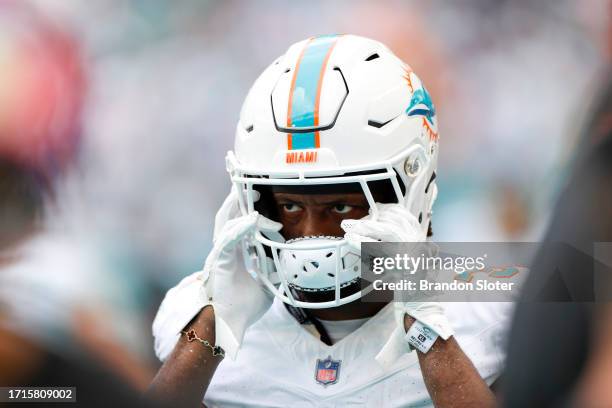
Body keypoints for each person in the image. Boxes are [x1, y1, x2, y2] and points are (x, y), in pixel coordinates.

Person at [148, 35, 510, 407]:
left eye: (339, 208)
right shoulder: (198, 319)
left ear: (410, 191)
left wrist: (428, 330)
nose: (310, 234)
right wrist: (211, 328)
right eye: (290, 207)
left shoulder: (488, 310)